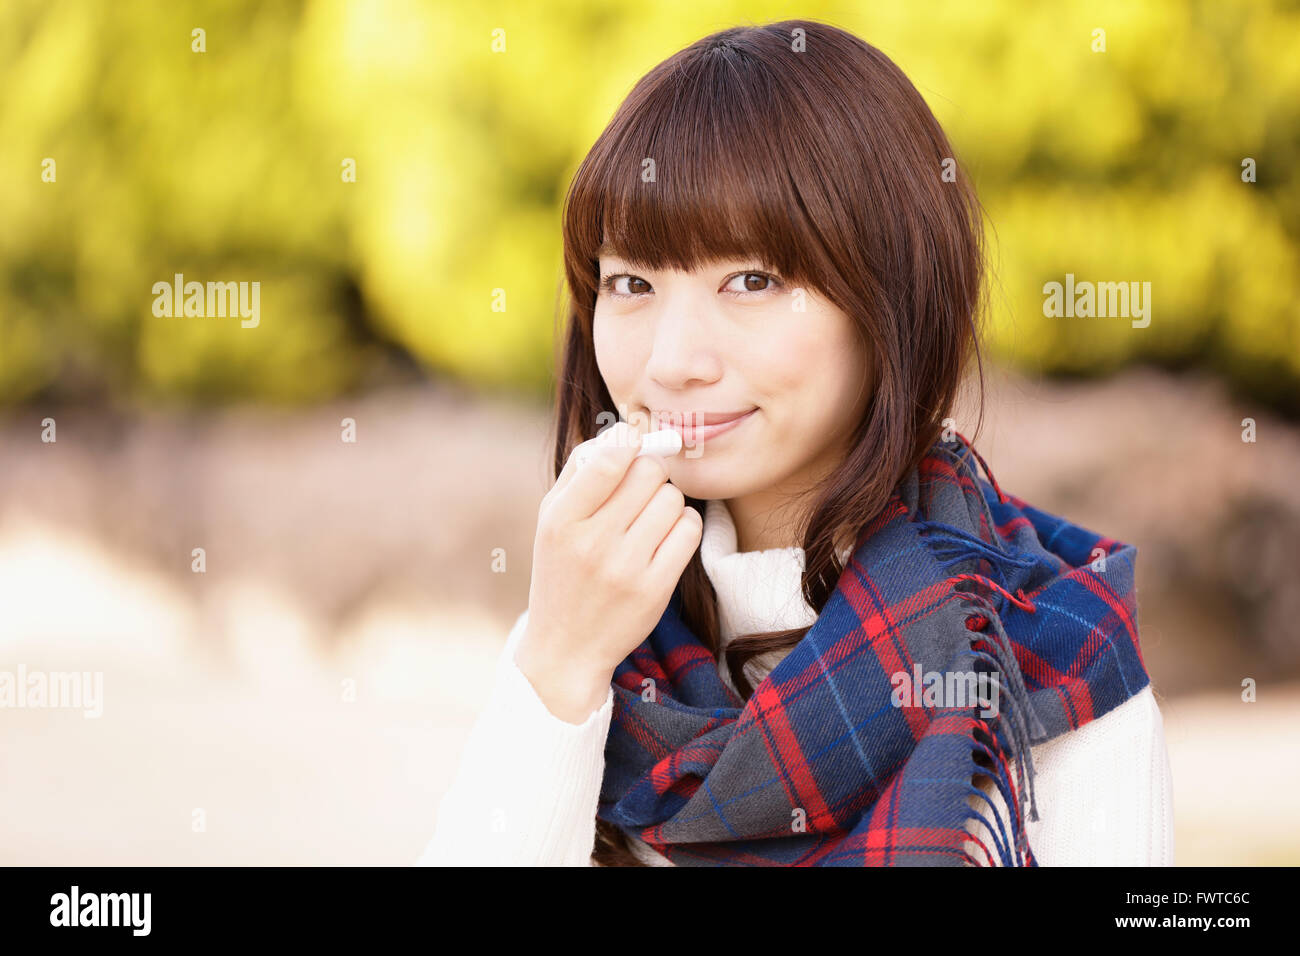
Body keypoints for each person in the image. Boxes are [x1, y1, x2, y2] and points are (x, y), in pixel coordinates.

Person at [417, 18, 1174, 867]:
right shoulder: (590, 624)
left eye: (752, 280)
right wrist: (557, 666)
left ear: (889, 295)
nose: (671, 362)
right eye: (630, 283)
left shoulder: (1050, 660)